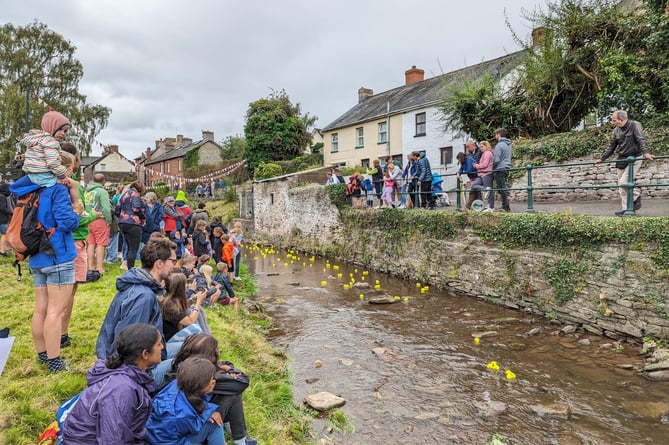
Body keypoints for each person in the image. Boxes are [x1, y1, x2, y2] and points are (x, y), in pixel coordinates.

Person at [10, 151, 82, 371]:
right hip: (58, 254)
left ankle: (42, 354)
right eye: (71, 169)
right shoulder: (58, 189)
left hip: (37, 255)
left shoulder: (32, 188)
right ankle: (55, 361)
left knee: (41, 308)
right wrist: (77, 205)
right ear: (63, 168)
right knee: (55, 311)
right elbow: (67, 222)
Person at [60, 323, 163, 444]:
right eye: (158, 344)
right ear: (145, 354)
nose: (162, 347)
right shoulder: (121, 390)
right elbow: (112, 440)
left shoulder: (129, 374)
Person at [161, 335, 257, 445]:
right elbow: (242, 381)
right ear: (207, 356)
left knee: (228, 392)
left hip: (163, 434)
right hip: (177, 439)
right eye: (216, 350)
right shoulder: (202, 379)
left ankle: (236, 436)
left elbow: (187, 407)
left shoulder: (183, 373)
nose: (219, 351)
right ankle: (240, 440)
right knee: (220, 413)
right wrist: (207, 414)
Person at [95, 237, 177, 359]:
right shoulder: (144, 297)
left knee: (190, 343)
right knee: (192, 350)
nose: (175, 267)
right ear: (159, 263)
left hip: (123, 359)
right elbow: (130, 347)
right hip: (134, 369)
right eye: (173, 262)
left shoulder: (138, 286)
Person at [59, 143, 96, 348]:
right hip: (74, 240)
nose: (75, 169)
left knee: (67, 291)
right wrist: (89, 215)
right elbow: (74, 217)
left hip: (73, 240)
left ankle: (62, 333)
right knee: (67, 291)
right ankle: (61, 335)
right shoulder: (70, 185)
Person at [145, 357, 226, 445]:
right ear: (199, 384)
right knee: (215, 424)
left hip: (153, 435)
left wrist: (208, 411)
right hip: (164, 442)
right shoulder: (182, 415)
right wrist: (208, 412)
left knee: (213, 417)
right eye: (211, 379)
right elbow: (194, 423)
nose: (213, 381)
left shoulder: (177, 384)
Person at [595, 110, 655, 215]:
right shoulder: (616, 130)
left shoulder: (634, 125)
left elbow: (641, 139)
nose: (613, 122)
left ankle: (636, 194)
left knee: (624, 182)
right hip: (622, 158)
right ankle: (626, 210)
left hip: (634, 158)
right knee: (621, 186)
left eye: (614, 120)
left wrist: (646, 153)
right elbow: (612, 146)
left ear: (622, 119)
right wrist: (602, 158)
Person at [21, 110, 79, 207]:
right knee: (72, 184)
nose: (63, 133)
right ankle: (77, 205)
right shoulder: (51, 142)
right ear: (52, 127)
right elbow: (52, 163)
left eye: (65, 131)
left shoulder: (35, 140)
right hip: (44, 177)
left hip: (32, 175)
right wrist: (62, 176)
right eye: (60, 129)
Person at [160, 273, 207, 357]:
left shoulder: (169, 299)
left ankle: (206, 342)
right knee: (195, 328)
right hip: (168, 340)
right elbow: (190, 321)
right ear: (180, 288)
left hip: (173, 334)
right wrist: (198, 302)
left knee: (194, 313)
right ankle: (206, 347)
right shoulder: (169, 305)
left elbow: (181, 310)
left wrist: (193, 298)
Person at [115, 180, 146, 269]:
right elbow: (136, 208)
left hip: (122, 223)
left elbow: (117, 210)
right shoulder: (135, 194)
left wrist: (122, 217)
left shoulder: (124, 195)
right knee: (133, 249)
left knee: (128, 247)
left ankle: (128, 267)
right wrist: (143, 217)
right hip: (133, 223)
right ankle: (131, 269)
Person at [85, 173, 112, 275]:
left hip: (88, 219)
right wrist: (108, 220)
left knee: (90, 244)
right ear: (103, 181)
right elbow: (106, 208)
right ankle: (100, 268)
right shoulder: (102, 192)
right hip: (100, 220)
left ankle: (90, 266)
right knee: (101, 244)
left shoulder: (87, 191)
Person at [492, 128, 512, 212]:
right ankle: (505, 206)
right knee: (502, 187)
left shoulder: (499, 145)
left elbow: (496, 159)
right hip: (506, 167)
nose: (495, 136)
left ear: (498, 134)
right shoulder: (508, 144)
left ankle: (505, 207)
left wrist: (493, 168)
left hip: (500, 168)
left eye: (496, 134)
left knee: (502, 188)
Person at [470, 141, 495, 211]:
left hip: (486, 173)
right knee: (474, 186)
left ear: (486, 146)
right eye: (480, 147)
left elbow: (485, 165)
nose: (480, 148)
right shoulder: (485, 153)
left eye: (482, 147)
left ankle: (491, 207)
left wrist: (476, 166)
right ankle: (485, 189)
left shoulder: (487, 153)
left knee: (489, 191)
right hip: (481, 174)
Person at [0, 183, 12, 256]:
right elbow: (2, 208)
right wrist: (11, 212)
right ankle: (2, 251)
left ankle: (6, 249)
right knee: (5, 234)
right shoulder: (2, 197)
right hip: (2, 219)